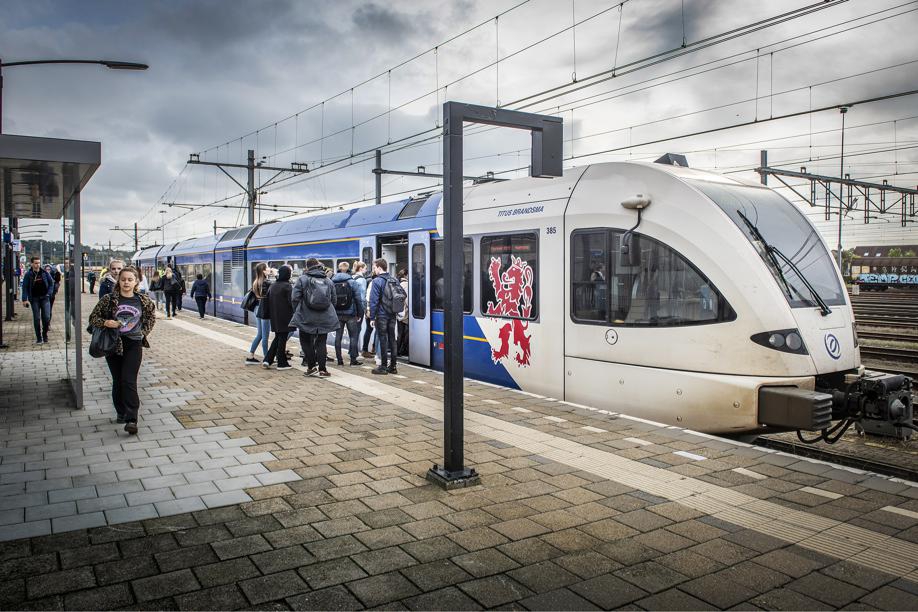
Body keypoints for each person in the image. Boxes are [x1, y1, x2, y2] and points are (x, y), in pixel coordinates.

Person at [88, 266, 156, 435]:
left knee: (129, 380)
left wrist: (142, 333)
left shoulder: (143, 300)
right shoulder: (109, 299)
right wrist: (105, 323)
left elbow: (150, 318)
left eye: (130, 280)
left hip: (133, 344)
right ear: (119, 281)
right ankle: (121, 412)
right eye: (123, 279)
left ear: (136, 282)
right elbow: (93, 318)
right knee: (118, 380)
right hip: (113, 344)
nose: (126, 282)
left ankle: (132, 418)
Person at [290, 258, 339, 377]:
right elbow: (334, 300)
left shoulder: (302, 279)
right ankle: (323, 370)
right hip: (324, 316)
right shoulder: (327, 280)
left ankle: (311, 367)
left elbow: (294, 298)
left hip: (306, 316)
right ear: (317, 266)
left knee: (306, 342)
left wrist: (298, 310)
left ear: (307, 267)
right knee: (321, 342)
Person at [368, 258, 405, 375]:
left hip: (382, 315)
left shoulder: (377, 281)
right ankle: (393, 366)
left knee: (383, 340)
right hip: (392, 314)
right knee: (392, 339)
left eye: (374, 268)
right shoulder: (394, 279)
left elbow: (373, 301)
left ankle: (383, 367)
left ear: (379, 268)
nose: (374, 270)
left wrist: (372, 317)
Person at [331, 261, 366, 366]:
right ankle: (353, 360)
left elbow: (330, 299)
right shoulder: (352, 282)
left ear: (338, 268)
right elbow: (358, 299)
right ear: (348, 269)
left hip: (337, 314)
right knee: (353, 336)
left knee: (338, 336)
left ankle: (339, 360)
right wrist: (360, 313)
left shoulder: (332, 281)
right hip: (351, 314)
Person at [263, 265, 294, 370]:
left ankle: (268, 359)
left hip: (275, 316)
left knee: (278, 338)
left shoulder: (273, 285)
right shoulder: (287, 286)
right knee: (282, 339)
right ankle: (281, 362)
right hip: (286, 317)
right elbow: (292, 302)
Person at [21, 257, 55, 344]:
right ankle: (39, 338)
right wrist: (24, 299)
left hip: (45, 298)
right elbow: (24, 287)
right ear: (32, 264)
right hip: (34, 299)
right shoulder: (28, 274)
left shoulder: (44, 273)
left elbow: (51, 283)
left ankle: (45, 334)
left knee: (47, 317)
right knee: (37, 318)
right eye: (35, 263)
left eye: (39, 263)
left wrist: (49, 293)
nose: (37, 265)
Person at [246, 263, 272, 365]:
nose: (270, 269)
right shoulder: (266, 282)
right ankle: (266, 358)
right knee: (265, 336)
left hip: (257, 308)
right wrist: (274, 275)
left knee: (260, 334)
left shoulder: (256, 281)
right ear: (263, 271)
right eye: (267, 267)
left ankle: (251, 356)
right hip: (264, 310)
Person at [396, 268, 410, 357]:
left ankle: (397, 351)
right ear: (406, 275)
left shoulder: (398, 284)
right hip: (405, 312)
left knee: (400, 332)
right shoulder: (406, 285)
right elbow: (408, 300)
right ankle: (402, 350)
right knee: (405, 332)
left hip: (399, 312)